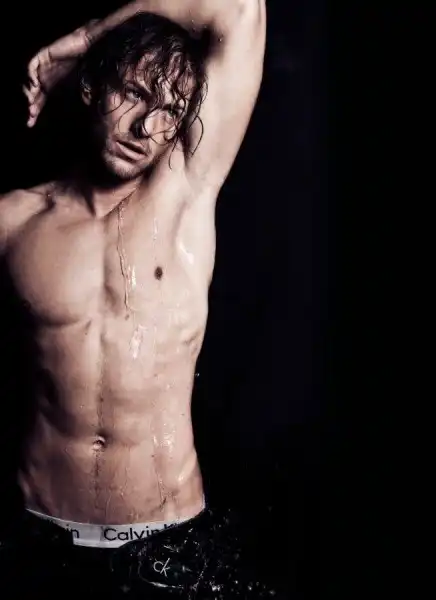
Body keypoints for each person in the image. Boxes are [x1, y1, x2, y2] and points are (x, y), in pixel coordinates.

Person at [0, 1, 279, 597]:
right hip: (35, 541)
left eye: (170, 110)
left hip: (169, 546)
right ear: (91, 88)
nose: (146, 128)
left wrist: (83, 37)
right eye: (133, 93)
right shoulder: (13, 221)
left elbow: (238, 8)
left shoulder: (186, 197)